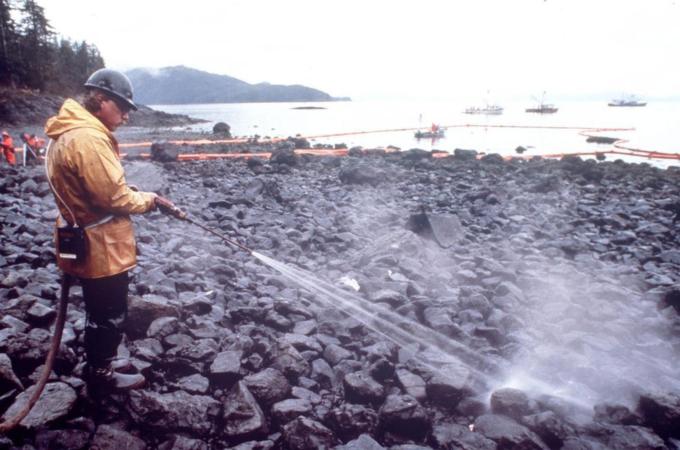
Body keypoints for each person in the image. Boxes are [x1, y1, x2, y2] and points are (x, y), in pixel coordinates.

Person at [44, 68, 177, 391]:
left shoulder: (69, 131)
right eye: (123, 108)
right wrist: (148, 199)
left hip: (81, 233)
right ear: (101, 100)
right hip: (101, 243)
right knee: (108, 310)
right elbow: (114, 198)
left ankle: (100, 359)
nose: (126, 117)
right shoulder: (89, 138)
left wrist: (129, 191)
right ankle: (100, 372)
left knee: (97, 306)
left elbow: (93, 187)